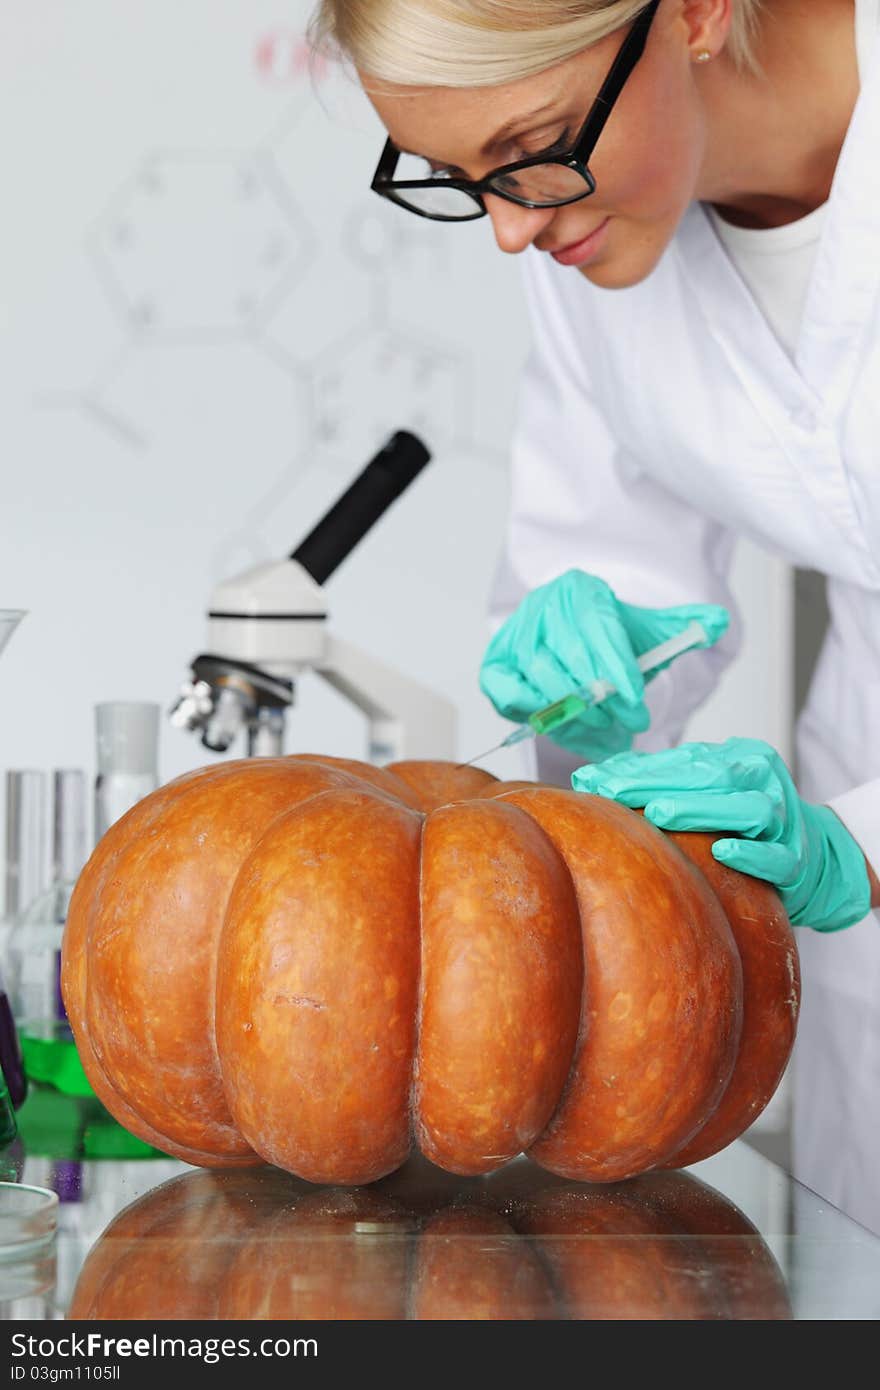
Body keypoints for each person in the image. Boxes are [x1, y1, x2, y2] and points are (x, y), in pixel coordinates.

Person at [309, 0, 880, 1233]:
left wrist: (866, 841)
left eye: (536, 142)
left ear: (694, 13)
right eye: (464, 181)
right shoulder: (595, 234)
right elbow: (622, 566)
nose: (512, 228)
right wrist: (599, 665)